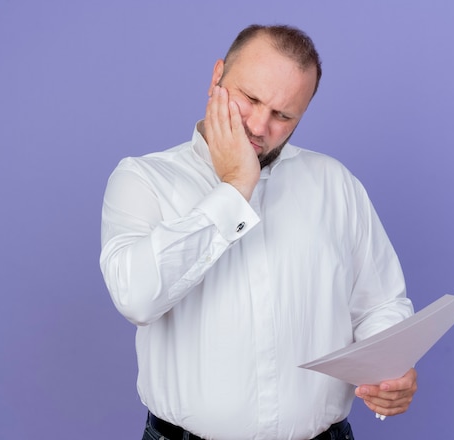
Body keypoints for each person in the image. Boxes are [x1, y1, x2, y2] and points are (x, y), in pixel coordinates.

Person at [100, 24, 417, 440]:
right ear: (217, 77)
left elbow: (379, 304)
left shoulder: (334, 183)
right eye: (249, 98)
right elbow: (136, 299)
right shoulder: (144, 180)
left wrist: (389, 367)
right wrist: (235, 187)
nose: (258, 125)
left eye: (283, 116)